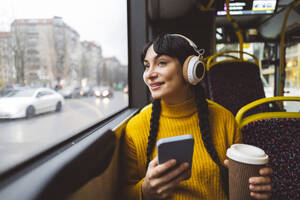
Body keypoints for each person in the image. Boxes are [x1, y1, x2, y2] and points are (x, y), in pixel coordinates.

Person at [121, 33, 273, 200]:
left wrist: (255, 190)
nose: (149, 74)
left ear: (190, 69)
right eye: (146, 66)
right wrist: (145, 190)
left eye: (161, 63)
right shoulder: (135, 128)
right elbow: (124, 193)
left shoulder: (224, 120)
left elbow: (240, 191)